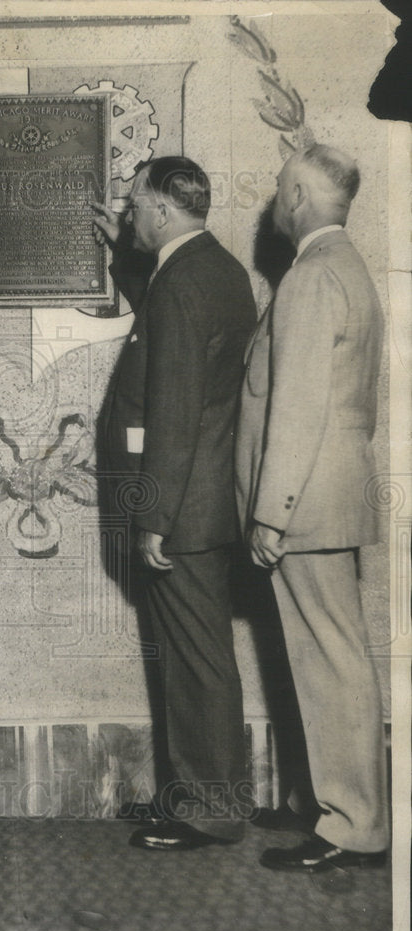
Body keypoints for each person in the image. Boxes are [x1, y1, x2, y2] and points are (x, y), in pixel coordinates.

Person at [92, 157, 257, 851]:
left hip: (180, 510)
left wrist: (153, 514)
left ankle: (210, 810)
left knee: (197, 662)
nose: (128, 214)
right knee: (198, 657)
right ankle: (194, 796)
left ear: (161, 208)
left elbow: (174, 409)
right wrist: (124, 261)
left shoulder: (185, 282)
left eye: (133, 205)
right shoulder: (205, 270)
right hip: (198, 503)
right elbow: (167, 335)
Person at [236, 144, 389, 872]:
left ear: (297, 196)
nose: (272, 206)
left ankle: (351, 825)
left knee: (331, 661)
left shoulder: (309, 278)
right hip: (334, 496)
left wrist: (273, 511)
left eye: (275, 192)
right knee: (333, 656)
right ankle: (326, 805)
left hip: (304, 504)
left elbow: (294, 408)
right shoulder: (350, 270)